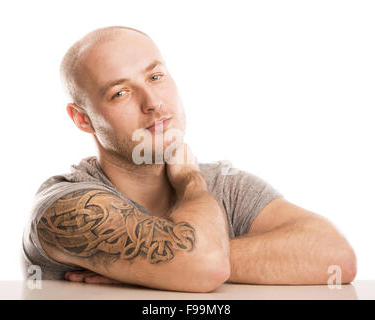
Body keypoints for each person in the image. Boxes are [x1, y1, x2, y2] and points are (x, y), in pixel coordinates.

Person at [21, 26, 357, 293]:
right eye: (120, 93)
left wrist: (153, 268)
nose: (153, 102)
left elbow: (337, 258)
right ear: (82, 119)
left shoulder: (223, 184)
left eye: (155, 77)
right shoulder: (62, 207)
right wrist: (192, 200)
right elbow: (206, 265)